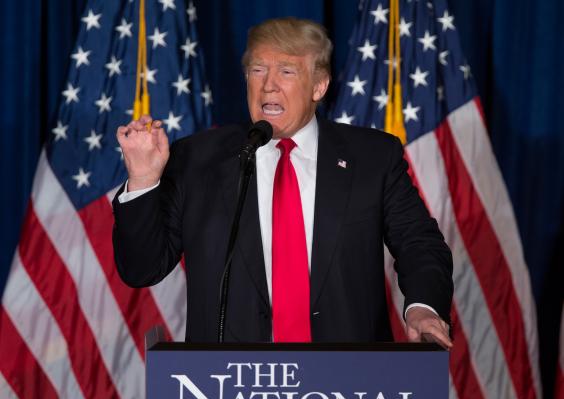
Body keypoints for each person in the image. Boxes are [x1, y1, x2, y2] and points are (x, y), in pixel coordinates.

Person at [113, 17, 454, 347]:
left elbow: (418, 243)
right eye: (258, 70)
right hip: (231, 378)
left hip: (348, 376)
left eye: (287, 71)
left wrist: (423, 307)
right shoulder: (197, 159)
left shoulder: (372, 157)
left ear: (319, 86)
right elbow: (142, 269)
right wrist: (143, 180)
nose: (268, 85)